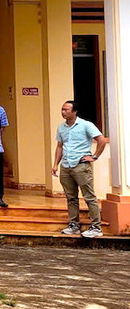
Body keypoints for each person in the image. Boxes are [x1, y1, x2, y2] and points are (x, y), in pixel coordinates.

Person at [54, 100, 109, 238]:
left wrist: (94, 156)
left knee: (89, 196)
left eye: (66, 110)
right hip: (66, 166)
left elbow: (101, 140)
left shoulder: (86, 125)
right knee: (71, 197)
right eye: (62, 109)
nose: (63, 112)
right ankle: (74, 225)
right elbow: (60, 146)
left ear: (74, 111)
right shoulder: (61, 128)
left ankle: (96, 227)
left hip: (81, 165)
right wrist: (55, 164)